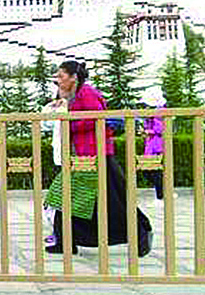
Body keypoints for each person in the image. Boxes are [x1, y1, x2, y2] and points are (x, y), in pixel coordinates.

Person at [44, 60, 152, 257]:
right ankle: (66, 241)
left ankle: (141, 232)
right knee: (65, 198)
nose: (57, 80)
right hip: (80, 156)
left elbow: (97, 118)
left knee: (114, 202)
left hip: (96, 155)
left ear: (73, 77)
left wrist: (68, 121)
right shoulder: (72, 95)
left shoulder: (87, 93)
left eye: (61, 76)